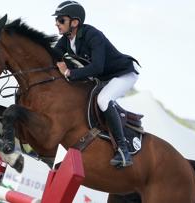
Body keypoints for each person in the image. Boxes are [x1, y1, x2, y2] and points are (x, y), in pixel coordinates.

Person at [53, 1, 140, 168]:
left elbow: (97, 67)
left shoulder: (93, 35)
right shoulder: (66, 40)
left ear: (75, 22)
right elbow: (53, 55)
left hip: (124, 73)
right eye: (57, 20)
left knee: (103, 99)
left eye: (61, 20)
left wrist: (70, 73)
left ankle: (123, 150)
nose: (57, 23)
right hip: (104, 76)